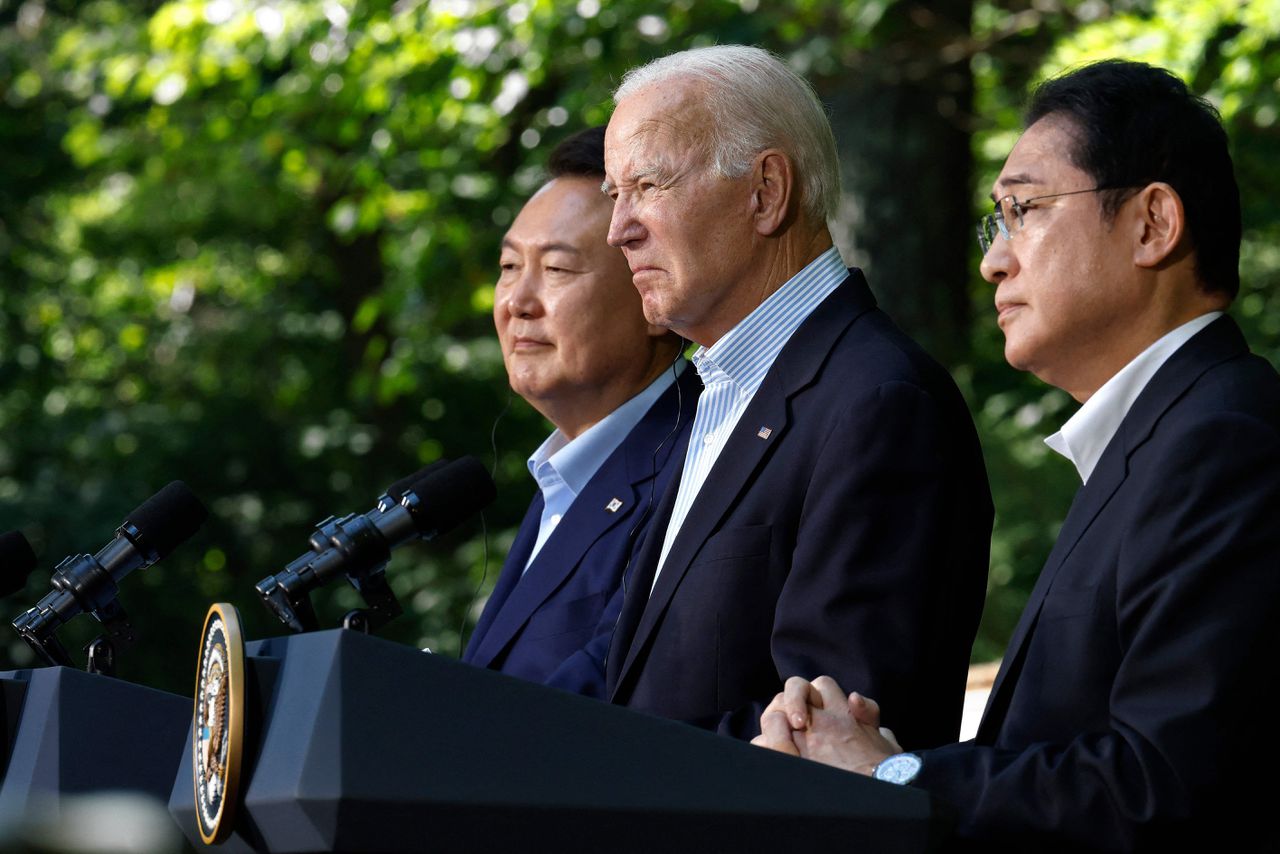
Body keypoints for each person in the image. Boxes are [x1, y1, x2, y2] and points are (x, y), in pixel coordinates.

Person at [754, 59, 1280, 851]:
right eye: (993, 223)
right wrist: (875, 756)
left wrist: (894, 779)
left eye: (1023, 210)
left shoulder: (1225, 440)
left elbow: (1161, 784)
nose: (993, 260)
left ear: (1153, 225)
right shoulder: (1160, 438)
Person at [600, 46, 992, 744]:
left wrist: (606, 787)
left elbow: (828, 736)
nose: (618, 229)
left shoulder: (879, 402)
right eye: (614, 194)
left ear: (766, 192)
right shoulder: (714, 395)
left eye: (648, 186)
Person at [462, 127, 698, 698]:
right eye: (509, 266)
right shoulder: (562, 476)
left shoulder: (700, 464)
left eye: (558, 270)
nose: (517, 302)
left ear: (653, 296)